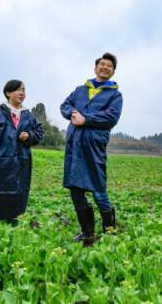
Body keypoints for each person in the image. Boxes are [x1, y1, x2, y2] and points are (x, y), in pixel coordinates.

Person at [60, 52, 123, 246]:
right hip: (74, 145)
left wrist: (86, 119)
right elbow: (65, 105)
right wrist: (73, 114)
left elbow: (111, 118)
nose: (105, 67)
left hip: (94, 146)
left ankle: (109, 230)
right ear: (96, 68)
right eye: (102, 64)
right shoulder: (80, 90)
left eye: (109, 66)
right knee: (75, 189)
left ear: (113, 72)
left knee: (98, 188)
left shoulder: (115, 95)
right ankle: (87, 232)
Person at [0, 80, 44, 225]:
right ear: (8, 93)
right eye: (18, 90)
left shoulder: (28, 115)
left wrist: (29, 136)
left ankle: (15, 221)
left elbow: (39, 133)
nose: (22, 93)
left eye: (24, 90)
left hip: (21, 161)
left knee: (19, 190)